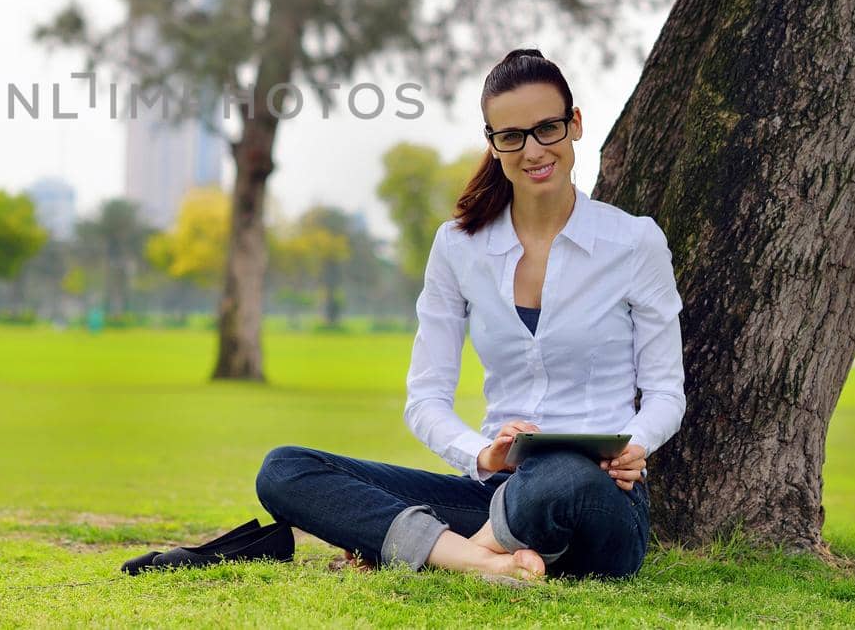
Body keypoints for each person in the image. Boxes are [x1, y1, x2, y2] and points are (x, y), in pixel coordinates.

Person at [254, 48, 685, 582]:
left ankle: (448, 553)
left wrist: (635, 444)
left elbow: (666, 390)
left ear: (574, 125)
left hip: (600, 501)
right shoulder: (459, 246)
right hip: (494, 492)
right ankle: (479, 561)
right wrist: (485, 455)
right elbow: (426, 398)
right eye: (512, 136)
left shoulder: (634, 241)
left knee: (560, 475)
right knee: (286, 469)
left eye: (547, 128)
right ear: (493, 143)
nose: (532, 150)